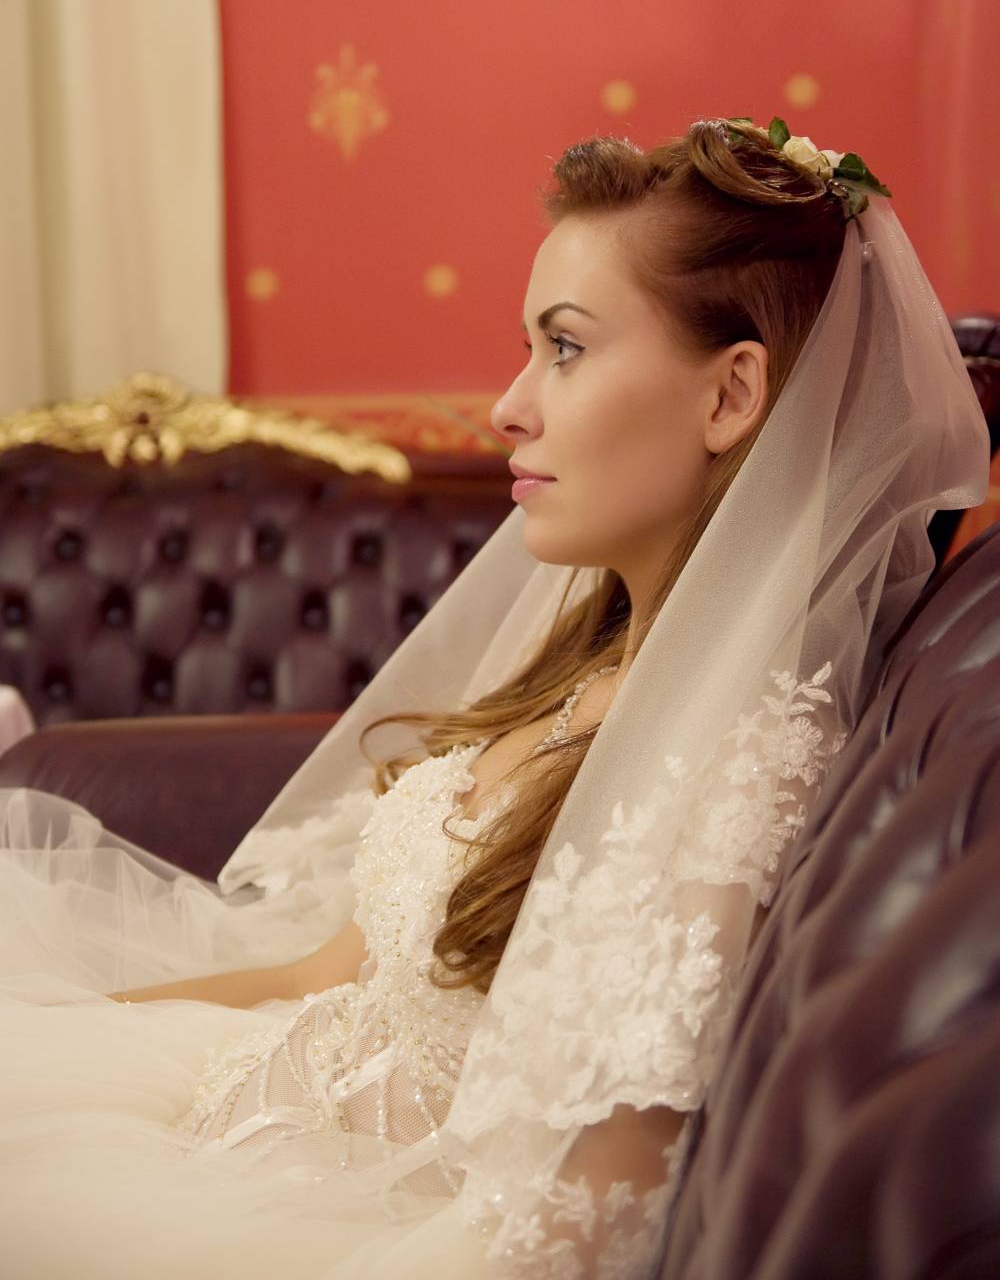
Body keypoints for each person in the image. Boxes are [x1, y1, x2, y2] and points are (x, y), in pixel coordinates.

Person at [0, 117, 988, 1280]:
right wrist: (79, 1028)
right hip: (216, 1119)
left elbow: (586, 1222)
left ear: (731, 396)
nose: (509, 407)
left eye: (564, 347)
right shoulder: (590, 667)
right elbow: (326, 977)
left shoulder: (733, 774)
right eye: (528, 348)